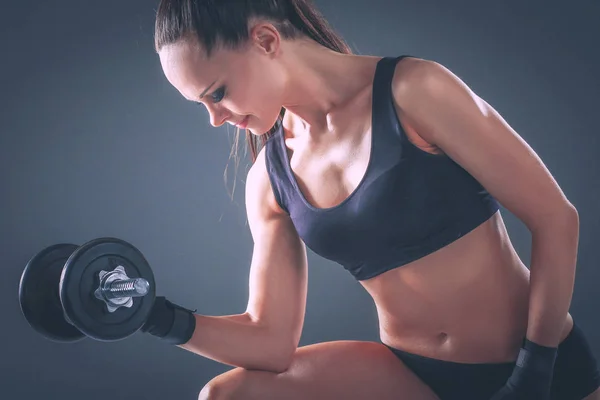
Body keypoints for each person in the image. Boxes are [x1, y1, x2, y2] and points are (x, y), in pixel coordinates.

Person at [141, 0, 600, 399]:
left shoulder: (414, 91)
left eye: (216, 94)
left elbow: (556, 219)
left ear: (265, 40)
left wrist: (534, 376)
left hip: (538, 364)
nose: (215, 119)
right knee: (228, 395)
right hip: (411, 375)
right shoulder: (269, 178)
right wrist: (152, 316)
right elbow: (270, 342)